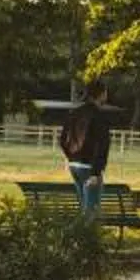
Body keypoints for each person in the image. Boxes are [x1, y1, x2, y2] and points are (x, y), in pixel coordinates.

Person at [59, 84, 113, 219]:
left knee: (83, 205)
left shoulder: (74, 113)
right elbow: (102, 145)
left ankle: (81, 236)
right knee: (91, 210)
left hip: (74, 165)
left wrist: (69, 157)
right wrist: (96, 172)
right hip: (89, 166)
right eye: (105, 93)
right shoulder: (98, 116)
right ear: (101, 94)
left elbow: (63, 139)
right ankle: (88, 237)